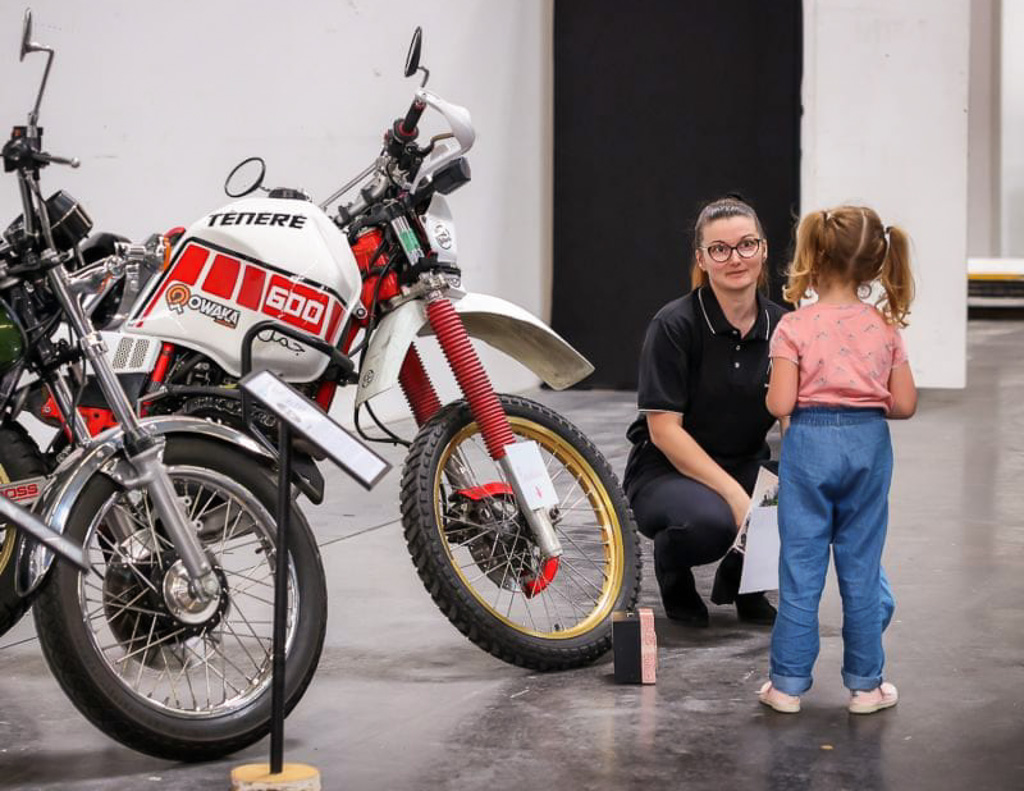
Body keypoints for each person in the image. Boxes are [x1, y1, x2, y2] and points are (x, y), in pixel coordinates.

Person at [757, 205, 917, 715]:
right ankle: (866, 687)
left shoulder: (794, 327)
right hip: (869, 444)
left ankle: (786, 685)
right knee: (862, 568)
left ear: (815, 256)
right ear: (874, 265)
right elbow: (906, 404)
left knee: (800, 568)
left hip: (809, 446)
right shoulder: (885, 328)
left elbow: (781, 404)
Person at [623, 196, 786, 627]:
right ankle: (673, 570)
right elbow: (664, 431)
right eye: (720, 249)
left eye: (747, 245)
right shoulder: (674, 325)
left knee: (797, 499)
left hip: (744, 463)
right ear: (702, 258)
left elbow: (793, 419)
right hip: (667, 471)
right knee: (710, 524)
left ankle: (748, 586)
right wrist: (737, 498)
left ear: (764, 249)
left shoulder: (784, 327)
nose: (735, 258)